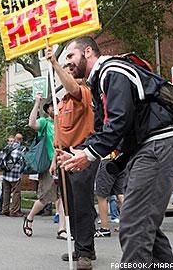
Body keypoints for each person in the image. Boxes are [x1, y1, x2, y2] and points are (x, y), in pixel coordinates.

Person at [57, 37, 173, 268]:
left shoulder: (112, 71)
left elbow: (119, 120)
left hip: (157, 146)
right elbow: (103, 129)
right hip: (146, 149)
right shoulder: (99, 82)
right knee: (144, 225)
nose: (69, 63)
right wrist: (82, 151)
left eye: (71, 56)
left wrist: (89, 154)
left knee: (134, 223)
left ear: (88, 51)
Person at [46, 48, 99, 268]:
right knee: (70, 206)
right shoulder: (62, 102)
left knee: (82, 203)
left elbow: (72, 86)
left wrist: (55, 64)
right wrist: (53, 160)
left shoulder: (83, 92)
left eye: (70, 64)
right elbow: (59, 134)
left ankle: (85, 251)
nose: (67, 67)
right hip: (62, 157)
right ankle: (80, 247)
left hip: (80, 154)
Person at [22, 95, 58, 237]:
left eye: (57, 106)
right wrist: (37, 102)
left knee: (62, 198)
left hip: (63, 162)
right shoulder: (45, 122)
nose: (55, 108)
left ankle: (62, 229)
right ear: (48, 109)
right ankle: (30, 217)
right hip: (49, 164)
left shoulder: (63, 124)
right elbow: (32, 124)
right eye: (52, 106)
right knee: (44, 198)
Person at [94, 157, 124, 238]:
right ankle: (126, 225)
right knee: (121, 194)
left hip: (107, 159)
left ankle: (104, 228)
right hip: (121, 159)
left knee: (101, 196)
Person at [0, 133, 25, 217]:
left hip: (5, 174)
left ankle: (5, 209)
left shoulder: (7, 148)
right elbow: (23, 161)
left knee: (6, 192)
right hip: (15, 174)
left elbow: (1, 158)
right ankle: (14, 211)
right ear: (20, 140)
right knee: (16, 192)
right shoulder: (20, 149)